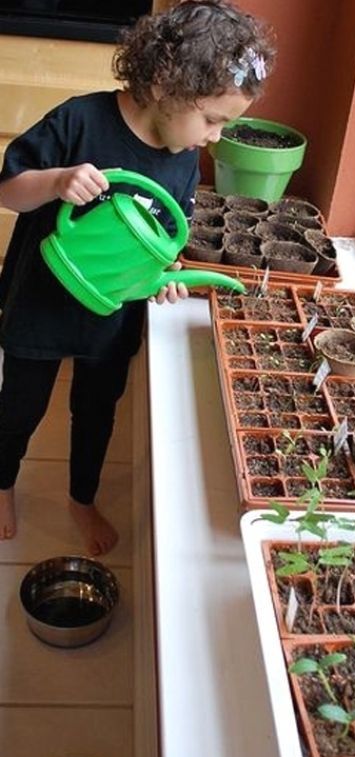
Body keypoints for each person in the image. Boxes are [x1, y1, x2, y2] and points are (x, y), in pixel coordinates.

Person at [0, 0, 274, 555]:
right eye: (213, 119)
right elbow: (8, 189)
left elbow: (166, 242)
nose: (216, 137)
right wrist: (56, 181)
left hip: (113, 310)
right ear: (167, 84)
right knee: (20, 406)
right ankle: (2, 482)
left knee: (97, 409)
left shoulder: (181, 154)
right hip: (41, 302)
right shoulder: (81, 120)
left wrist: (167, 275)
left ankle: (82, 497)